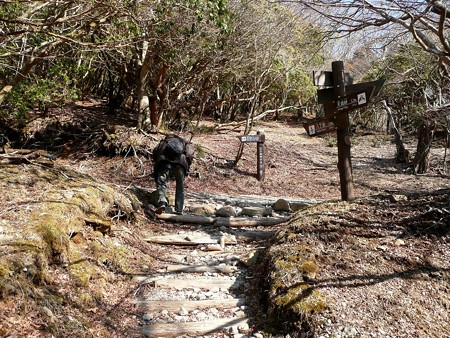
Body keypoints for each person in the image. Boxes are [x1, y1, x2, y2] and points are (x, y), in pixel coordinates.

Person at [152, 134, 195, 214]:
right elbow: (189, 155)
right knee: (180, 187)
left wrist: (157, 164)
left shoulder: (164, 142)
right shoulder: (184, 143)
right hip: (180, 164)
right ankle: (179, 209)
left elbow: (155, 152)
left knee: (161, 183)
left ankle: (162, 202)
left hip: (164, 162)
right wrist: (187, 165)